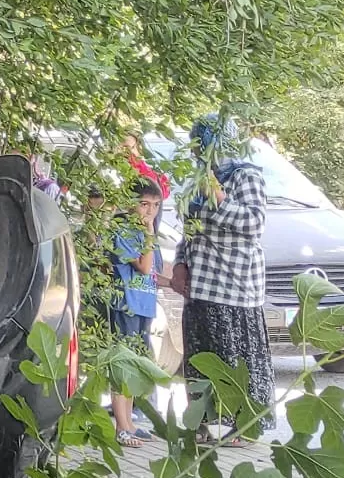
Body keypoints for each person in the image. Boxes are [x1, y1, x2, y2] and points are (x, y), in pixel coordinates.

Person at [173, 115, 271, 446]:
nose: (200, 151)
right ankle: (199, 422)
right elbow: (188, 229)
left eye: (205, 143)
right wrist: (180, 263)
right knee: (200, 357)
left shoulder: (246, 176)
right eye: (196, 144)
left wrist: (219, 198)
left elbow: (254, 224)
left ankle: (245, 425)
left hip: (236, 287)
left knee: (235, 359)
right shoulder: (197, 178)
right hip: (200, 286)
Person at [108, 180, 163, 447]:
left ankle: (129, 420)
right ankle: (121, 425)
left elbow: (153, 272)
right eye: (144, 204)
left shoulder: (147, 234)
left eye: (155, 205)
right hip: (127, 305)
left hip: (145, 306)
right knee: (123, 364)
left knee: (135, 365)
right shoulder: (125, 231)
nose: (150, 211)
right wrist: (150, 234)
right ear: (131, 205)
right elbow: (142, 266)